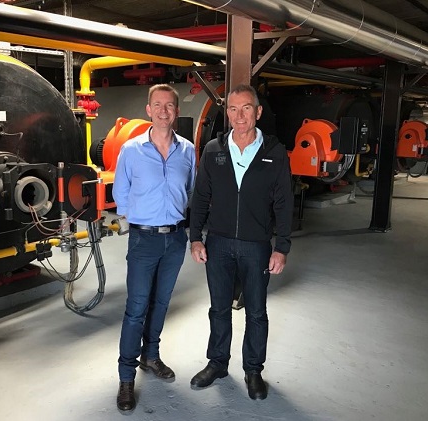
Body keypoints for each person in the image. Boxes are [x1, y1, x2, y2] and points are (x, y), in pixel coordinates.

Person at [189, 84, 293, 400]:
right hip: (218, 243)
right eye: (233, 109)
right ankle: (217, 363)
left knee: (256, 312)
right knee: (219, 308)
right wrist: (195, 238)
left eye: (246, 108)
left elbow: (284, 202)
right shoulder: (213, 150)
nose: (239, 116)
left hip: (256, 245)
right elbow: (201, 197)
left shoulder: (274, 153)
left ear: (258, 112)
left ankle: (253, 370)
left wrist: (282, 247)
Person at [112, 84, 196, 411]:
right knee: (136, 307)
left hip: (175, 239)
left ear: (177, 111)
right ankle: (126, 377)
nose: (163, 111)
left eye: (169, 106)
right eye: (157, 105)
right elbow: (121, 193)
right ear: (148, 110)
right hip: (143, 239)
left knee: (161, 302)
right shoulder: (131, 150)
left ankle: (151, 356)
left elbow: (191, 190)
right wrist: (140, 217)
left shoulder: (188, 151)